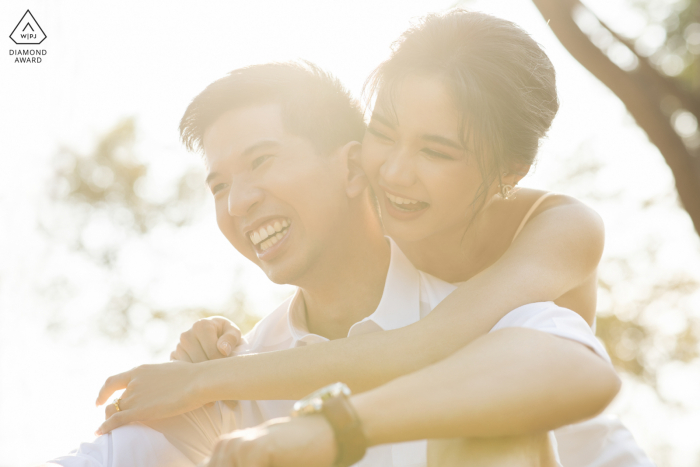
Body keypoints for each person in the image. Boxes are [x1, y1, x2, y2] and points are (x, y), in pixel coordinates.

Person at [51, 10, 653, 467]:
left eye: (262, 161)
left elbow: (442, 349)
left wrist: (317, 422)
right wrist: (206, 376)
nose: (393, 171)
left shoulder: (518, 287)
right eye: (384, 133)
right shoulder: (255, 367)